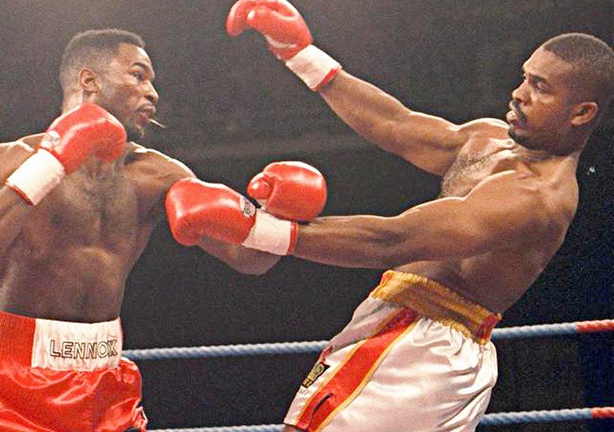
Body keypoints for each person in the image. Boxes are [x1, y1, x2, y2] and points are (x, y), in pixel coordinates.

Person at [165, 1, 614, 431]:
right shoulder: (489, 138)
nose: (519, 93)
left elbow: (394, 241)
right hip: (398, 322)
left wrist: (255, 228)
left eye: (540, 86)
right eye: (524, 78)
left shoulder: (536, 197)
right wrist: (301, 55)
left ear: (582, 112)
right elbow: (396, 125)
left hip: (427, 345)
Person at [0, 28, 328, 431]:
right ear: (89, 81)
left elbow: (248, 258)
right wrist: (50, 165)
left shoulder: (158, 174)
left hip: (105, 385)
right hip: (8, 384)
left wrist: (281, 211)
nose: (153, 93)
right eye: (138, 75)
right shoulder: (11, 160)